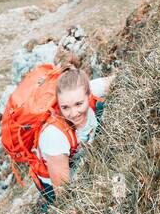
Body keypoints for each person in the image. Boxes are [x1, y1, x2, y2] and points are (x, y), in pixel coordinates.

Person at [35, 65, 115, 203]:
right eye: (65, 107)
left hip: (80, 152)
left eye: (79, 104)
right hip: (56, 179)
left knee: (102, 106)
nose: (73, 113)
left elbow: (121, 79)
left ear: (89, 95)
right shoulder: (54, 136)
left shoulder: (87, 90)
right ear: (59, 104)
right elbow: (63, 194)